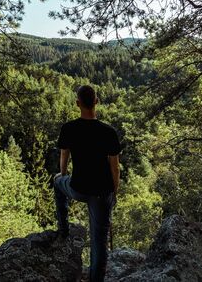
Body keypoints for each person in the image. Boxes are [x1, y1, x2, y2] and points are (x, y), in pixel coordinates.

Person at [53, 85, 121, 282]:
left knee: (57, 182)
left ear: (77, 103)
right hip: (102, 193)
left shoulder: (69, 128)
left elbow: (64, 156)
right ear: (97, 102)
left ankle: (64, 229)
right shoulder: (108, 132)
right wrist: (113, 192)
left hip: (77, 188)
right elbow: (115, 168)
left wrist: (62, 175)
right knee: (99, 244)